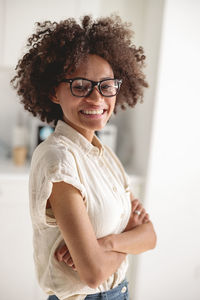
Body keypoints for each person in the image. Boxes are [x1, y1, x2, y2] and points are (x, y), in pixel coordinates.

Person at [11, 15, 156, 300]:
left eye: (106, 85)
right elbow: (93, 273)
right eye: (80, 86)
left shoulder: (103, 154)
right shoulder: (59, 159)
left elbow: (151, 237)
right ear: (54, 91)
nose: (97, 98)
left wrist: (106, 244)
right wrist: (127, 239)